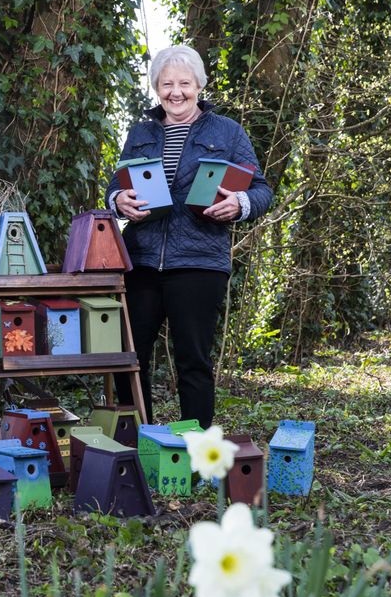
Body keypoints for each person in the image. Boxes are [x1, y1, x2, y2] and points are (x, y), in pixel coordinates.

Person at [106, 45, 272, 428]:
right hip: (142, 260)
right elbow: (115, 185)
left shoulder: (228, 132)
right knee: (128, 357)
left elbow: (262, 190)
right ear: (156, 88)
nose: (175, 92)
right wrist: (119, 200)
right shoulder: (140, 132)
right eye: (167, 84)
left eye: (184, 83)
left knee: (193, 362)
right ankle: (139, 443)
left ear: (199, 85)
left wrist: (240, 204)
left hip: (200, 261)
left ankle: (195, 452)